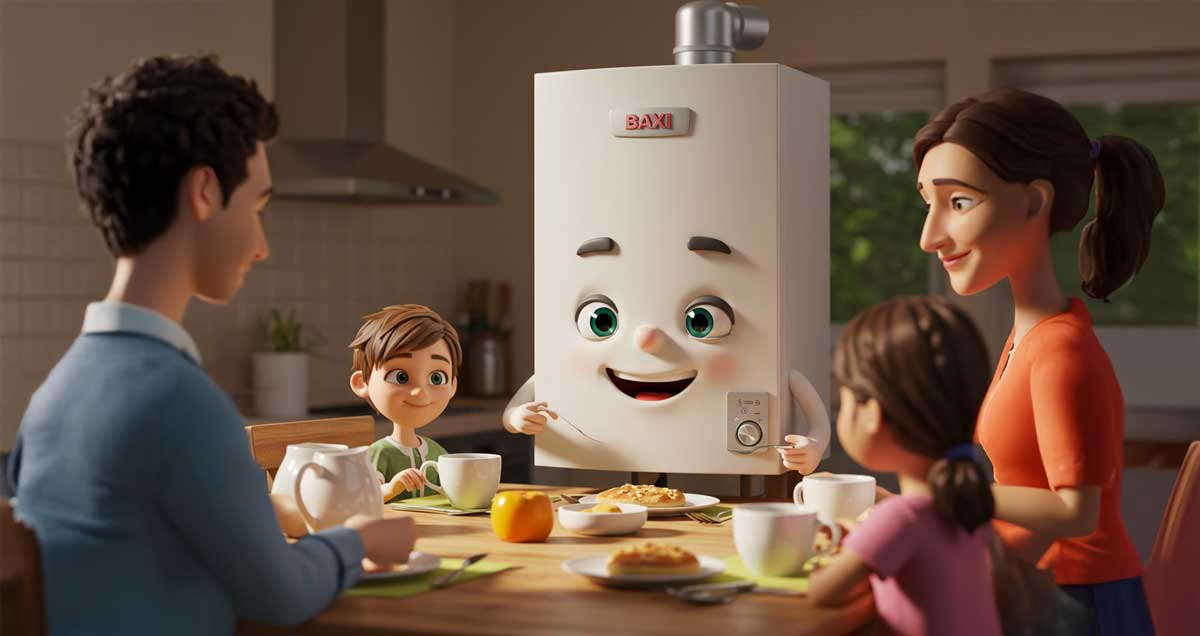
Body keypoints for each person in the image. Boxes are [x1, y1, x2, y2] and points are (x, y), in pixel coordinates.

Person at [7, 55, 415, 635]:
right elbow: (280, 596)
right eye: (257, 206)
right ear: (204, 191)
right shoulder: (178, 400)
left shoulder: (54, 393)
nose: (261, 244)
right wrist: (359, 542)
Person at [913, 87, 1160, 634]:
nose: (930, 236)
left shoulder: (1060, 351)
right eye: (926, 202)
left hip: (1077, 605)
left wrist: (949, 491)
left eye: (957, 203)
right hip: (1037, 588)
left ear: (1033, 201)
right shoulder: (1027, 336)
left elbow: (1077, 513)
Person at [806, 296, 1001, 636]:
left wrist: (858, 539)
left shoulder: (902, 520)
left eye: (846, 396)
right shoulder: (966, 507)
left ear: (871, 414)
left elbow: (822, 591)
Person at [348, 304, 462, 502]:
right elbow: (366, 496)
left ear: (452, 385)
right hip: (393, 529)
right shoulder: (380, 452)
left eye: (437, 378)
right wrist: (393, 488)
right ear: (362, 383)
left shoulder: (436, 451)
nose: (420, 392)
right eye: (400, 377)